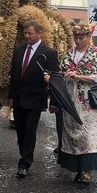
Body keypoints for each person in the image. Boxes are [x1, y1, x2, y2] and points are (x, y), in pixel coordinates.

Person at [56, 23, 97, 185]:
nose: (78, 40)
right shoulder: (69, 53)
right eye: (76, 37)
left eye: (82, 37)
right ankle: (78, 167)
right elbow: (62, 70)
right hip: (72, 100)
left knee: (89, 135)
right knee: (73, 134)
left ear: (88, 37)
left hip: (89, 102)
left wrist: (79, 76)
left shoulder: (95, 53)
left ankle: (87, 170)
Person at [8, 20, 59, 178]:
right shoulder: (18, 50)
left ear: (39, 33)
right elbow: (14, 75)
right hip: (19, 97)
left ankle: (25, 162)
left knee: (30, 130)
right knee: (21, 130)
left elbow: (55, 78)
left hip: (35, 97)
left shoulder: (48, 53)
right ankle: (24, 153)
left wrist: (55, 101)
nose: (27, 36)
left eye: (30, 33)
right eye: (25, 33)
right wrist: (10, 97)